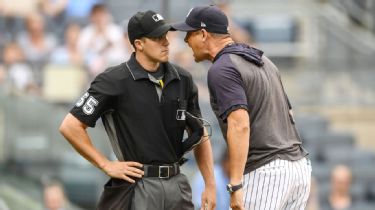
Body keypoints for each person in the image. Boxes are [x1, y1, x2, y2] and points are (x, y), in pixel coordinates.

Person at [59, 10, 216, 210]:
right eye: (157, 38)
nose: (166, 42)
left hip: (177, 184)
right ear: (138, 44)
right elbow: (70, 126)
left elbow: (200, 134)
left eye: (166, 36)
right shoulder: (113, 80)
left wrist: (210, 185)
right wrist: (106, 164)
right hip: (138, 185)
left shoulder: (183, 79)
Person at [172, 5, 311, 210]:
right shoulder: (263, 60)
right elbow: (289, 113)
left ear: (203, 34)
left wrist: (235, 184)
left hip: (266, 173)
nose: (185, 41)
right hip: (298, 167)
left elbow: (240, 125)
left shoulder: (222, 68)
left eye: (188, 34)